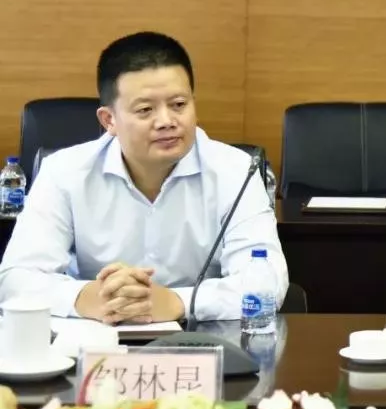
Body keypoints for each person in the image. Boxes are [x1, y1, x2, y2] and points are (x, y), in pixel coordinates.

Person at [0, 32, 288, 323]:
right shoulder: (64, 172)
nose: (166, 121)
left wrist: (178, 301)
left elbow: (266, 281)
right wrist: (88, 298)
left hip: (200, 340)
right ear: (109, 120)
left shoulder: (236, 171)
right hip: (95, 336)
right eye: (145, 110)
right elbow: (16, 278)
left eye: (179, 104)